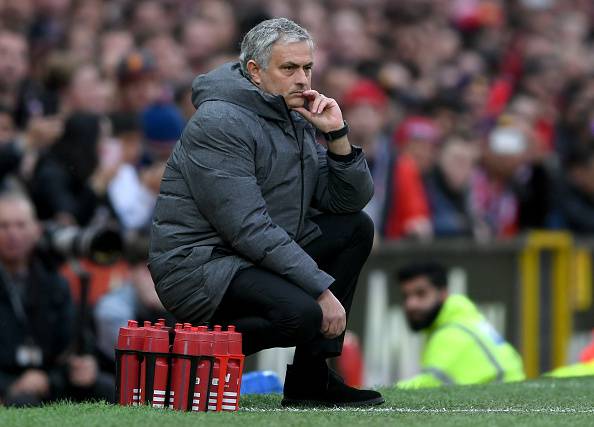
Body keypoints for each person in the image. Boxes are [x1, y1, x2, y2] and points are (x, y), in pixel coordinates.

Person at [149, 18, 383, 407]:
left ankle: (311, 383)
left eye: (307, 68)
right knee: (303, 314)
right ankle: (184, 352)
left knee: (355, 228)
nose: (302, 80)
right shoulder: (219, 121)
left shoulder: (292, 112)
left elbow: (345, 203)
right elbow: (247, 227)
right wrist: (320, 290)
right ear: (255, 71)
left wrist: (337, 136)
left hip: (248, 257)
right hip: (198, 266)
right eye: (288, 68)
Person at [0, 191, 113, 406]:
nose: (12, 234)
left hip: (50, 380)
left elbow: (73, 341)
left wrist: (81, 364)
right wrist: (10, 385)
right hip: (8, 385)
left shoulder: (54, 282)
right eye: (4, 226)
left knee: (106, 387)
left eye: (20, 225)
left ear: (36, 230)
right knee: (22, 402)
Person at [396, 261, 525, 388]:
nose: (411, 304)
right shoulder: (462, 320)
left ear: (443, 293)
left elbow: (429, 384)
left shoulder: (451, 333)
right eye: (406, 296)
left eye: (421, 294)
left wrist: (388, 391)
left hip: (504, 396)